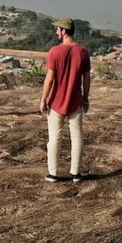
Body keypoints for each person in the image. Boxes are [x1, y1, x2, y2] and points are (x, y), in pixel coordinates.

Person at [39, 17, 91, 182]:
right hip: (75, 102)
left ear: (63, 31)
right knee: (77, 137)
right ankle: (75, 173)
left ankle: (53, 173)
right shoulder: (82, 52)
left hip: (56, 102)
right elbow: (86, 79)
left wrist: (43, 99)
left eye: (57, 30)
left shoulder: (54, 52)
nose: (56, 32)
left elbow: (49, 79)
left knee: (54, 138)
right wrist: (85, 98)